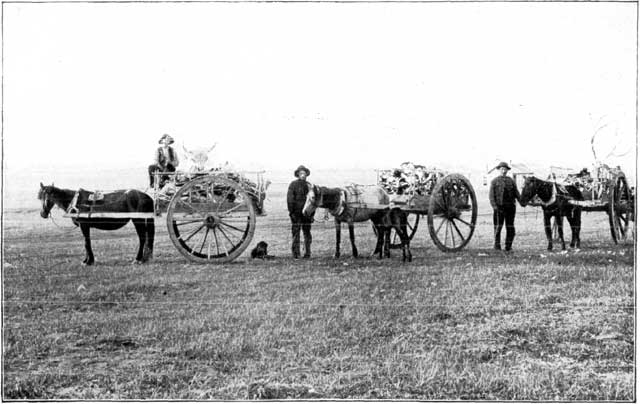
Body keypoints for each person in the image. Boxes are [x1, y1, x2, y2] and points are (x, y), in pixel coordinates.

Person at [489, 161, 523, 252]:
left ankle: (508, 246)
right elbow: (491, 196)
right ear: (499, 170)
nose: (503, 171)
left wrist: (522, 202)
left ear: (507, 170)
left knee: (510, 227)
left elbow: (516, 193)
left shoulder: (511, 181)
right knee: (498, 227)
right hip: (499, 208)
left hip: (510, 208)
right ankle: (497, 246)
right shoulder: (494, 181)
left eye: (505, 169)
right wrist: (495, 207)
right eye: (502, 169)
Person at [287, 165, 313, 259]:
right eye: (301, 173)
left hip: (306, 214)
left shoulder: (309, 186)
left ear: (306, 175)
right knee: (296, 233)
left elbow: (312, 201)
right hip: (296, 214)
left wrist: (311, 214)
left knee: (307, 233)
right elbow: (290, 200)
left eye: (304, 173)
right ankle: (296, 254)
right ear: (298, 174)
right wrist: (292, 213)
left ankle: (307, 253)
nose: (303, 175)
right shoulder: (293, 185)